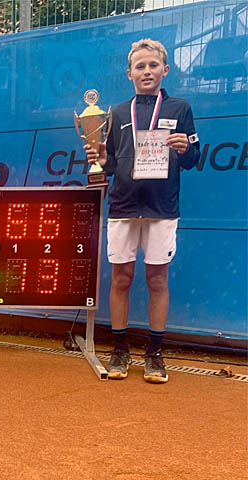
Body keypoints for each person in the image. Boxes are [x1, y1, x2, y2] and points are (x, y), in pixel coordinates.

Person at [84, 39, 200, 384]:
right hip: (123, 206)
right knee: (121, 278)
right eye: (140, 66)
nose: (146, 71)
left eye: (153, 65)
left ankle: (154, 353)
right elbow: (111, 165)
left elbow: (194, 158)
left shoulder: (180, 108)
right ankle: (120, 349)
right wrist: (101, 159)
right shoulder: (118, 113)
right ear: (129, 73)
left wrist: (185, 147)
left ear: (165, 70)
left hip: (162, 207)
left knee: (157, 279)